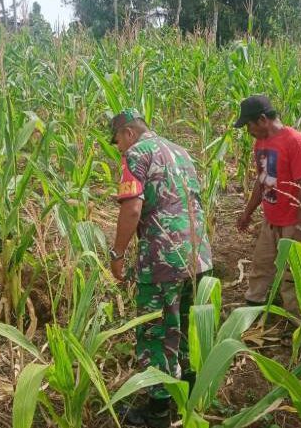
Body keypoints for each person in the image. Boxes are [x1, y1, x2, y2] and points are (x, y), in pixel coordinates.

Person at [109, 108, 212, 428]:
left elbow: (132, 208)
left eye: (117, 142)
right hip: (198, 256)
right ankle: (190, 399)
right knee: (185, 329)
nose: (119, 149)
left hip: (163, 258)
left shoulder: (136, 154)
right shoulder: (181, 152)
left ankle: (158, 412)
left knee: (157, 333)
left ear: (128, 133)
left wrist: (118, 253)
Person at [234, 94, 301, 315]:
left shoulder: (294, 141)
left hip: (295, 219)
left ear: (262, 120)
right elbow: (263, 180)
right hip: (272, 218)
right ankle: (253, 308)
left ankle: (296, 319)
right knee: (261, 264)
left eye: (248, 125)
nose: (248, 131)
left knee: (292, 274)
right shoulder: (260, 143)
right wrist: (247, 213)